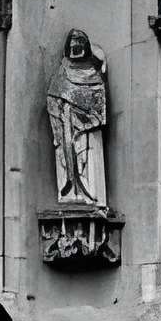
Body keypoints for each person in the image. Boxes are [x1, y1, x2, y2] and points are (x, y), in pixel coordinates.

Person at [47, 29, 108, 208]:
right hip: (66, 125)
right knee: (67, 153)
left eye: (80, 44)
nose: (76, 48)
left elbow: (99, 103)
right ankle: (70, 190)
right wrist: (60, 110)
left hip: (87, 130)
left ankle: (90, 192)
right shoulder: (62, 72)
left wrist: (87, 117)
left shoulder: (94, 74)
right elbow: (53, 96)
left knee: (86, 156)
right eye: (73, 44)